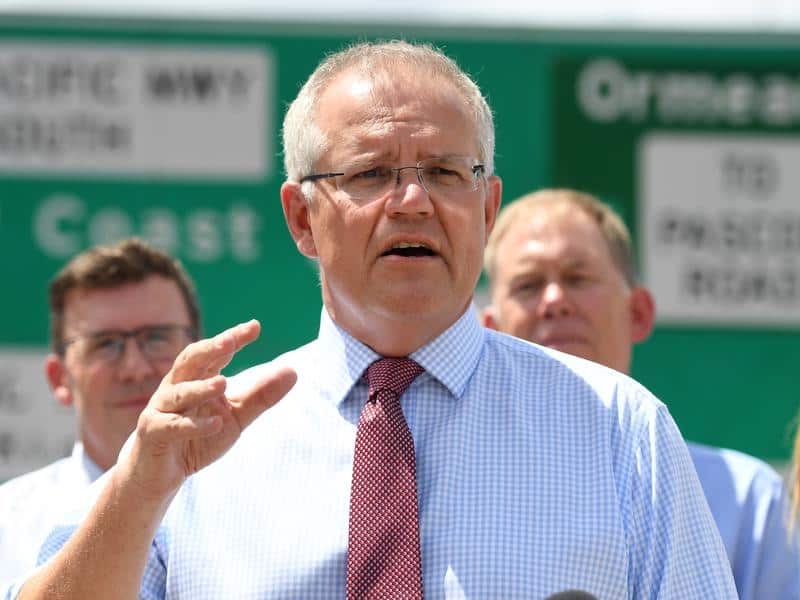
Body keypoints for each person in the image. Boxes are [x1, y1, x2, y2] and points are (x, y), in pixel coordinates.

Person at [8, 41, 736, 599]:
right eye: (370, 173)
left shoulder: (618, 429)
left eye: (448, 172)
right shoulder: (202, 445)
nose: (413, 201)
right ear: (300, 217)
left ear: (487, 208)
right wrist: (138, 490)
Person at [481, 187, 800, 600]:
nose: (555, 300)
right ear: (490, 329)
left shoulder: (748, 502)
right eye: (527, 285)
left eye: (578, 278)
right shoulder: (458, 484)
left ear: (638, 313)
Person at [0, 238, 200, 588]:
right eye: (105, 344)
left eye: (157, 337)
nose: (135, 368)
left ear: (199, 352)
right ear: (59, 377)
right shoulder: (8, 527)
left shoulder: (259, 503)